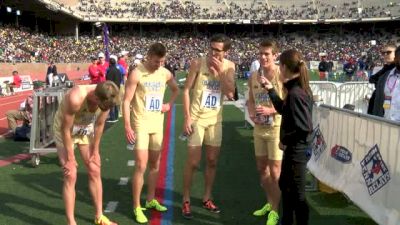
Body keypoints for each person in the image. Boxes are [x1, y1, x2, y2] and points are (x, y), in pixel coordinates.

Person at [123, 43, 179, 224]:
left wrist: (169, 104)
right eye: (156, 61)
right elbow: (126, 101)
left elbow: (176, 89)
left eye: (162, 61)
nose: (159, 65)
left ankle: (150, 199)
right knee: (141, 165)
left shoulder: (164, 73)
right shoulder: (137, 73)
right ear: (148, 56)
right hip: (140, 124)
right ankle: (137, 206)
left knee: (155, 165)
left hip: (157, 124)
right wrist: (127, 126)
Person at [181, 34, 236, 219]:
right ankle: (186, 199)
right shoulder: (198, 63)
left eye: (218, 50)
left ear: (226, 52)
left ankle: (207, 197)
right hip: (196, 119)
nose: (213, 52)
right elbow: (187, 89)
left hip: (215, 120)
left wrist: (220, 73)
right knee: (194, 162)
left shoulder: (229, 66)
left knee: (212, 161)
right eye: (211, 48)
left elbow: (230, 94)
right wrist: (187, 117)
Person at [53, 81, 119, 225]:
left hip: (83, 129)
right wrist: (70, 158)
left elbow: (100, 125)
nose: (102, 109)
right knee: (71, 174)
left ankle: (99, 217)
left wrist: (95, 151)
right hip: (65, 130)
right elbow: (66, 130)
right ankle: (71, 222)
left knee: (95, 169)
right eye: (100, 106)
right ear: (95, 97)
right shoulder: (76, 98)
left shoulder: (107, 100)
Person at [261, 49, 313, 225]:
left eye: (279, 66)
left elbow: (304, 128)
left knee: (297, 196)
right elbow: (284, 109)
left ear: (283, 67)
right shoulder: (295, 90)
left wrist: (285, 141)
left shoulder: (296, 93)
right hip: (294, 150)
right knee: (286, 187)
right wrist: (271, 90)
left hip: (296, 150)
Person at [247, 39, 283, 225]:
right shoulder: (253, 75)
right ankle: (270, 203)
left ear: (275, 56)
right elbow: (250, 100)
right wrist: (253, 114)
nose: (263, 57)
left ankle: (275, 210)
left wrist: (271, 111)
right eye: (260, 53)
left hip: (276, 128)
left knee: (275, 172)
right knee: (262, 169)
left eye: (267, 54)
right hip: (259, 129)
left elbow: (288, 104)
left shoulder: (281, 75)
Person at [371, 46, 400, 121]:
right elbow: (372, 79)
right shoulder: (385, 73)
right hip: (385, 117)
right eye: (383, 53)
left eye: (388, 52)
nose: (385, 55)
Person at [106, 56, 123, 122]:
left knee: (112, 103)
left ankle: (112, 117)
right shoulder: (118, 70)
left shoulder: (109, 70)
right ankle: (116, 116)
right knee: (116, 102)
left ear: (110, 63)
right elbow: (120, 79)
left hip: (111, 88)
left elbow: (108, 80)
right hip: (117, 87)